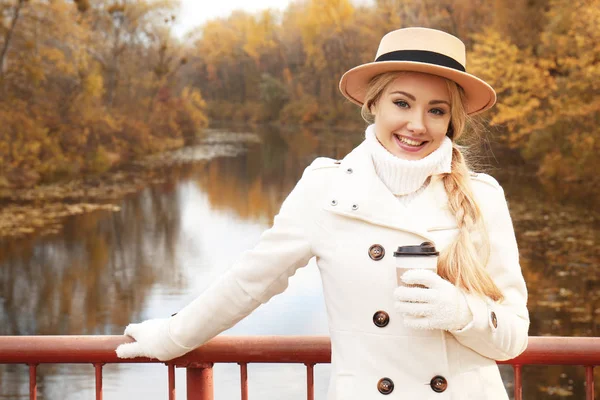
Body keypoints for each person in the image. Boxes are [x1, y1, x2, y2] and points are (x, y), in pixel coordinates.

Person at [116, 27, 529, 399]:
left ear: (451, 119)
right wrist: (171, 336)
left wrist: (461, 313)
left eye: (436, 110)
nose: (417, 124)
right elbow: (250, 282)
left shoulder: (481, 198)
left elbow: (512, 339)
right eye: (402, 103)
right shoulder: (325, 189)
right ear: (374, 104)